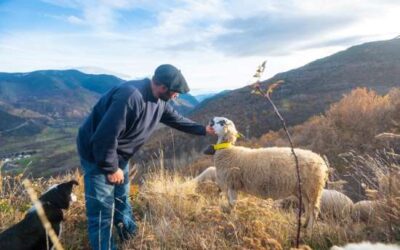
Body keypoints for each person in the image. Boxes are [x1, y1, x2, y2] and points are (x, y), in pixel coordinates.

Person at [76, 64, 215, 250]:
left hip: (120, 155)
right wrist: (110, 168)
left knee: (121, 198)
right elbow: (104, 136)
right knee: (102, 210)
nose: (177, 96)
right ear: (163, 87)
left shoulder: (159, 100)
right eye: (176, 92)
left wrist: (203, 130)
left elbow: (176, 119)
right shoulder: (130, 96)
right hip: (98, 153)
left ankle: (130, 237)